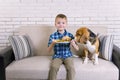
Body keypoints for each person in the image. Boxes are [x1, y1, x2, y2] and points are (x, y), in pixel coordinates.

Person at [47, 14, 79, 80]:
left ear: (66, 24)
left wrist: (73, 44)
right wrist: (53, 43)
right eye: (58, 23)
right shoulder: (53, 36)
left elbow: (77, 49)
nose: (61, 25)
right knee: (53, 67)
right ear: (55, 24)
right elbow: (48, 50)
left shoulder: (70, 35)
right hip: (57, 56)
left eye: (63, 23)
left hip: (68, 56)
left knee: (71, 68)